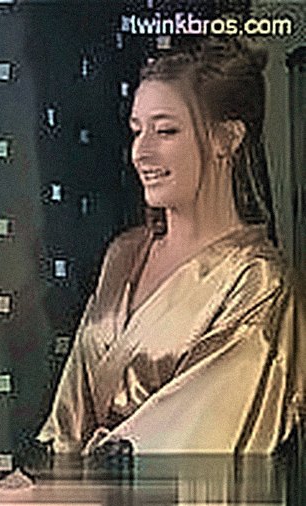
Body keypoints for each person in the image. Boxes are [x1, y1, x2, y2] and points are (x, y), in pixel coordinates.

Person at [36, 38, 302, 455]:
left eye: (165, 131)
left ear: (227, 138)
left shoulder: (258, 282)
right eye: (136, 131)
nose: (141, 153)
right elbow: (68, 425)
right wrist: (28, 483)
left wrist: (69, 486)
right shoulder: (125, 253)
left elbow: (195, 446)